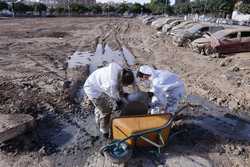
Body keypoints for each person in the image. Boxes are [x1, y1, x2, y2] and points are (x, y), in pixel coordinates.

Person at [84, 63, 135, 135]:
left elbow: (120, 90)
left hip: (97, 80)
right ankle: (104, 130)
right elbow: (115, 98)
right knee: (106, 110)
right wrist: (121, 102)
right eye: (125, 84)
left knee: (107, 103)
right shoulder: (111, 85)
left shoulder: (121, 71)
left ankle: (98, 108)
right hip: (92, 88)